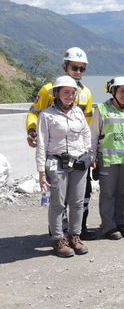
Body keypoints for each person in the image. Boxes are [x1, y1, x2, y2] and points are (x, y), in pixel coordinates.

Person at [26, 47, 95, 240]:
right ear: (64, 65)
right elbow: (35, 112)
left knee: (81, 195)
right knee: (59, 198)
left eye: (82, 69)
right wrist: (32, 130)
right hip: (56, 154)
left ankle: (79, 230)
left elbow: (86, 124)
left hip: (78, 153)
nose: (78, 72)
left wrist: (86, 150)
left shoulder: (86, 93)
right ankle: (58, 233)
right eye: (75, 67)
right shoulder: (48, 89)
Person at [36, 76, 91, 257]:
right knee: (57, 203)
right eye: (65, 92)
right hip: (56, 162)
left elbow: (86, 133)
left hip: (78, 162)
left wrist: (87, 153)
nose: (69, 95)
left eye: (72, 92)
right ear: (57, 93)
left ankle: (75, 236)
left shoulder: (78, 113)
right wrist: (41, 172)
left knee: (76, 202)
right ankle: (59, 240)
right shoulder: (46, 115)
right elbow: (42, 144)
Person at [90, 77, 124, 240]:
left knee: (121, 194)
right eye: (121, 91)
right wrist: (93, 157)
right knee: (107, 194)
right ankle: (109, 226)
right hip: (107, 160)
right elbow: (93, 134)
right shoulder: (101, 109)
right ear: (113, 91)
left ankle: (120, 222)